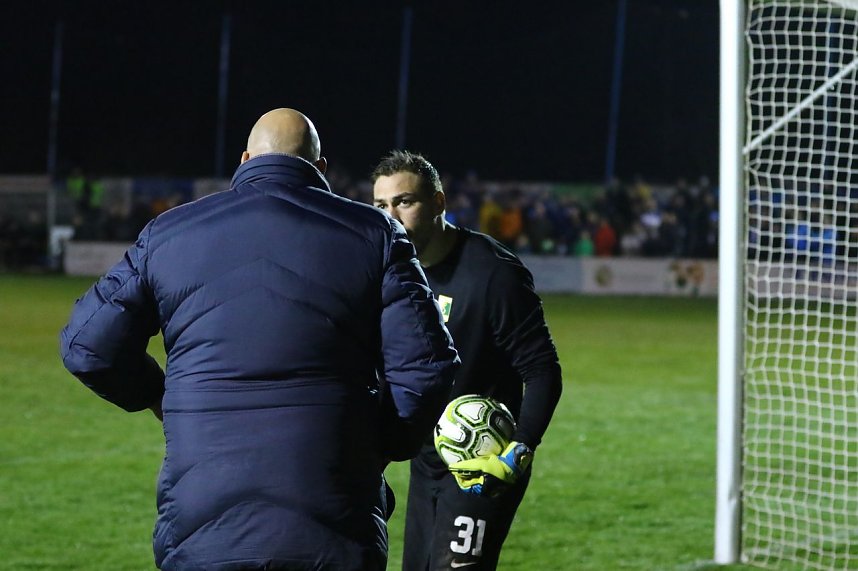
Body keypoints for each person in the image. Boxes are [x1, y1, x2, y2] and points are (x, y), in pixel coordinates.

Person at [60, 109, 460, 571]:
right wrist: (379, 446)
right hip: (334, 517)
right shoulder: (375, 233)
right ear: (321, 168)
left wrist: (158, 397)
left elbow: (87, 347)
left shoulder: (169, 234)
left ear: (246, 159)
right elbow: (427, 366)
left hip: (202, 524)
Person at [371, 150, 563, 570]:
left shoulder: (494, 273)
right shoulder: (392, 272)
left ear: (438, 203)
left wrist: (519, 449)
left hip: (484, 462)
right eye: (381, 206)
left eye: (405, 202)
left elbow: (543, 368)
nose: (392, 216)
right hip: (426, 461)